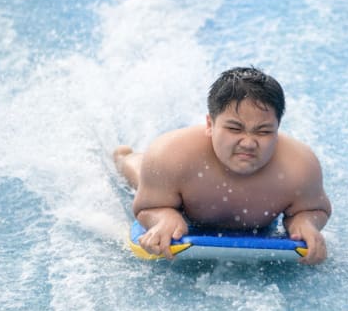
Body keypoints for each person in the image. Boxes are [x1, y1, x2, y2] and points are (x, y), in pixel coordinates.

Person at [113, 67, 331, 264]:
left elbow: (315, 208)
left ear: (278, 128)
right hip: (175, 185)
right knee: (143, 175)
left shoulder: (300, 166)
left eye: (263, 131)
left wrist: (305, 223)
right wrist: (163, 217)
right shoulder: (170, 155)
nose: (248, 143)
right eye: (235, 129)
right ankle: (125, 157)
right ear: (210, 124)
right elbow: (147, 206)